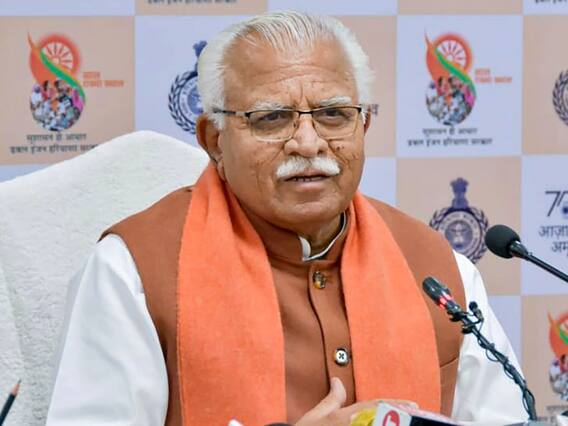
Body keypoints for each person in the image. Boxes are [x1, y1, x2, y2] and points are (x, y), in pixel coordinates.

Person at [46, 11, 528, 426]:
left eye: (333, 114)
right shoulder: (134, 272)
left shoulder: (437, 272)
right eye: (271, 118)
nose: (308, 143)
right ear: (214, 140)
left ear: (363, 125)